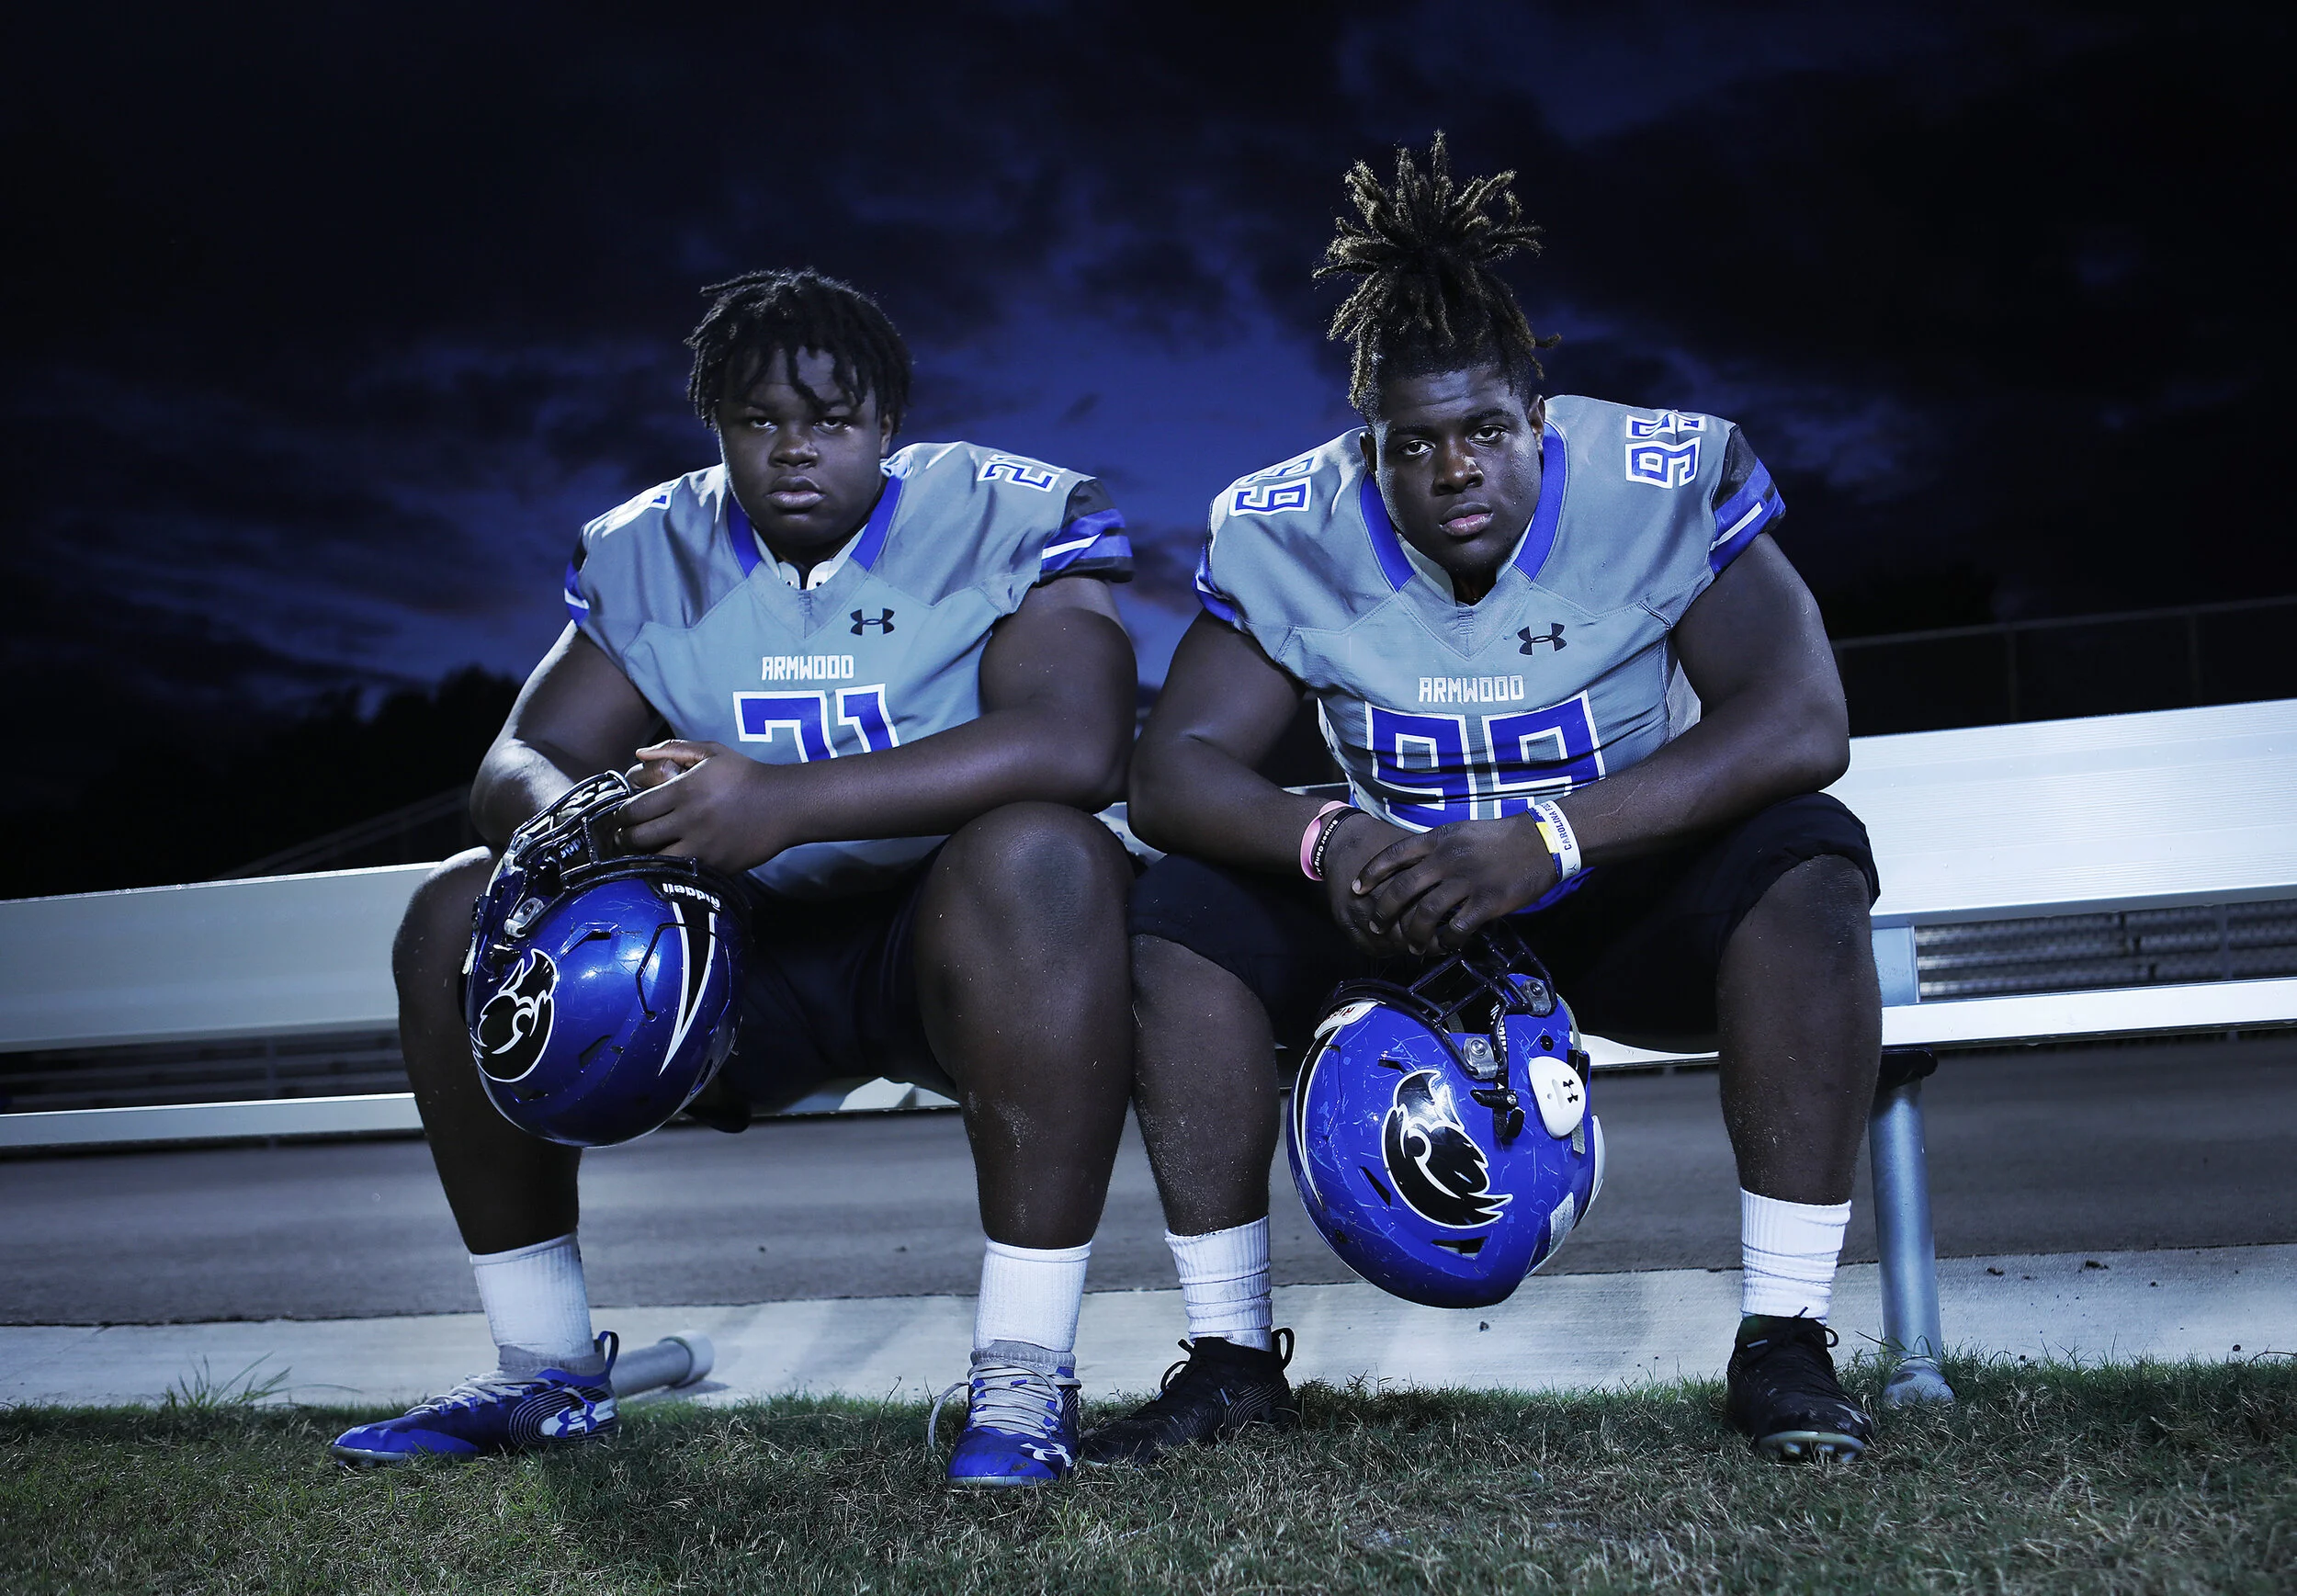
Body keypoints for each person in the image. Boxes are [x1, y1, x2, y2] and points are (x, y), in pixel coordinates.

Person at [1092, 137, 1882, 1466]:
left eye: (1485, 433)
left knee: (1807, 861)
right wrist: (1329, 838)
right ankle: (1230, 1358)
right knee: (1180, 917)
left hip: (1613, 890)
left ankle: (1786, 1339)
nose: (1455, 471)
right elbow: (1171, 772)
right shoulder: (1294, 526)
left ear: (1539, 417)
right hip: (1403, 914)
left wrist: (1552, 837)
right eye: (1415, 446)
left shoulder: (1657, 478)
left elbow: (1803, 719)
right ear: (1369, 449)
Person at [331, 269, 1140, 1488]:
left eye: (832, 421)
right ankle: (544, 1371)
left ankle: (1025, 1371)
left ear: (887, 424)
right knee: (457, 904)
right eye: (762, 422)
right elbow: (520, 757)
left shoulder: (998, 510)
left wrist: (778, 799)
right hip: (724, 948)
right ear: (720, 428)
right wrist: (593, 820)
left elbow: (1078, 740)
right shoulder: (649, 545)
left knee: (1047, 852)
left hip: (950, 946)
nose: (796, 451)